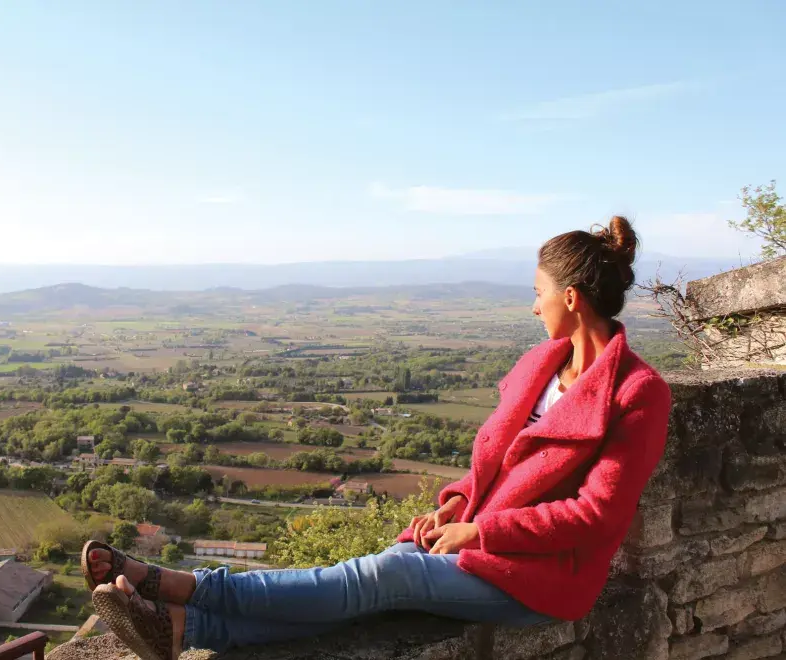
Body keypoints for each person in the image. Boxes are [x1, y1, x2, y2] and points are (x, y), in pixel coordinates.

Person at [81, 216, 673, 660]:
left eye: (538, 293)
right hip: (477, 540)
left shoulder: (637, 392)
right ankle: (186, 629)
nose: (533, 306)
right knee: (378, 573)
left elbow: (596, 515)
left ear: (570, 299)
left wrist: (480, 529)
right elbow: (490, 467)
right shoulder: (538, 367)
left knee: (384, 577)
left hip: (542, 578)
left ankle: (181, 587)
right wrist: (457, 504)